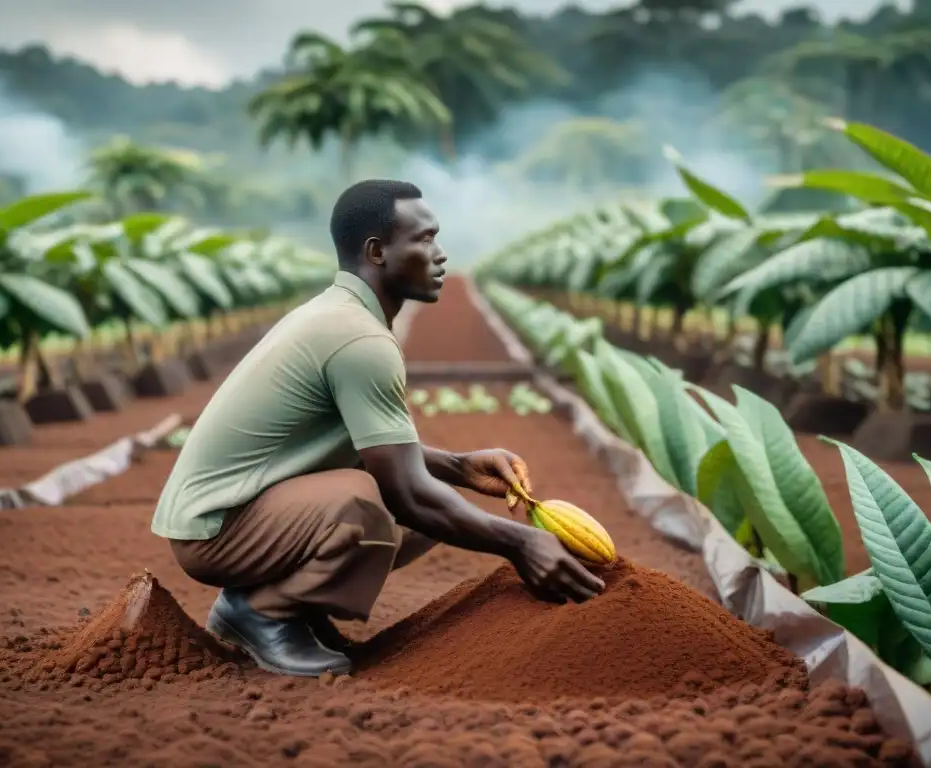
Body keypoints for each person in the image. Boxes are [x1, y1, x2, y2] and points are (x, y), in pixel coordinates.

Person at [150, 179, 605, 678]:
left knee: (426, 504)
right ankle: (262, 612)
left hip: (244, 507)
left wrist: (458, 466)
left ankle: (293, 604)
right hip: (218, 528)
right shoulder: (358, 339)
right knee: (368, 505)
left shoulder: (344, 317)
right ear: (377, 252)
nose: (440, 255)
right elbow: (407, 490)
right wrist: (522, 544)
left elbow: (383, 450)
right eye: (425, 239)